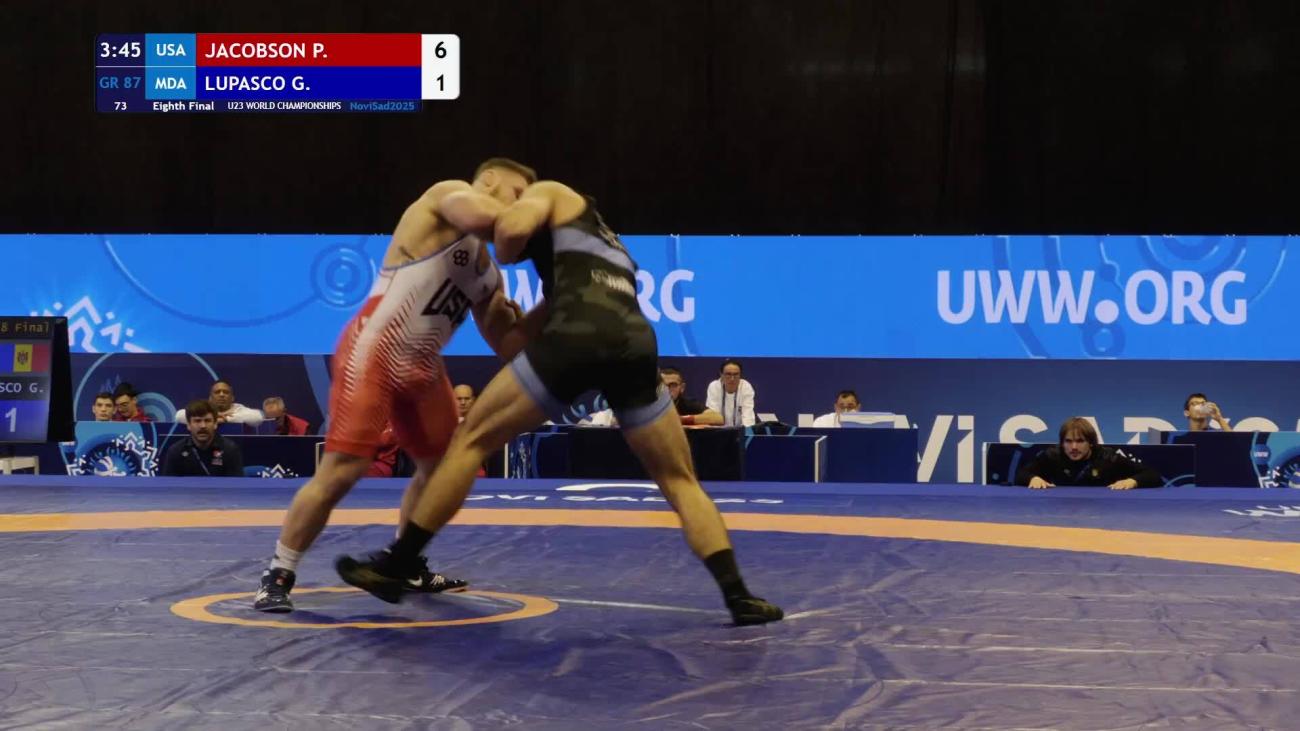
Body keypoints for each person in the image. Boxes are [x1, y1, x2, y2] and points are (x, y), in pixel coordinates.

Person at [335, 179, 783, 626]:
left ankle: (399, 563)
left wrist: (496, 239)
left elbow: (510, 236)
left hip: (578, 335)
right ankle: (738, 595)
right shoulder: (601, 248)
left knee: (470, 440)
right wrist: (514, 320)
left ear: (512, 187)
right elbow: (520, 342)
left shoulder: (549, 192)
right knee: (680, 479)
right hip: (633, 342)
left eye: (493, 193)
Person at [253, 158, 536, 613]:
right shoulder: (447, 198)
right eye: (519, 194)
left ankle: (405, 562)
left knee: (445, 471)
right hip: (374, 351)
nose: (526, 206)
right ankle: (278, 572)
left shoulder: (489, 276)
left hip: (424, 368)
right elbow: (491, 219)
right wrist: (553, 224)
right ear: (488, 181)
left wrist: (547, 315)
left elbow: (508, 345)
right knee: (343, 468)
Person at [1014, 417, 1161, 489]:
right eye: (1068, 441)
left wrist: (1132, 481)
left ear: (1091, 442)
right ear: (1062, 443)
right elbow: (1021, 474)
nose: (1073, 447)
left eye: (1080, 441)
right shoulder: (1052, 456)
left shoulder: (1108, 457)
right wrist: (1032, 478)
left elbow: (1152, 475)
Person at [160, 400, 245, 477]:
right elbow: (168, 486)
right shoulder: (176, 451)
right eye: (197, 421)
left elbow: (236, 485)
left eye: (207, 421)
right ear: (188, 425)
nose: (203, 426)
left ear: (215, 424)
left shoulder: (230, 449)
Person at [175, 381, 263, 426]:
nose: (221, 395)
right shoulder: (203, 408)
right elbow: (179, 416)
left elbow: (258, 417)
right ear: (210, 398)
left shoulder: (239, 409)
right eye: (217, 392)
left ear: (232, 398)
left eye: (226, 392)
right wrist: (214, 417)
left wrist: (226, 419)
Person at [706, 359, 756, 427]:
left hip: (739, 430)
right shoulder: (714, 386)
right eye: (728, 374)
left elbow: (748, 417)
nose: (732, 379)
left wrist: (745, 431)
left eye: (736, 374)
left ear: (740, 375)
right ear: (721, 374)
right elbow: (713, 415)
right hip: (718, 430)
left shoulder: (746, 387)